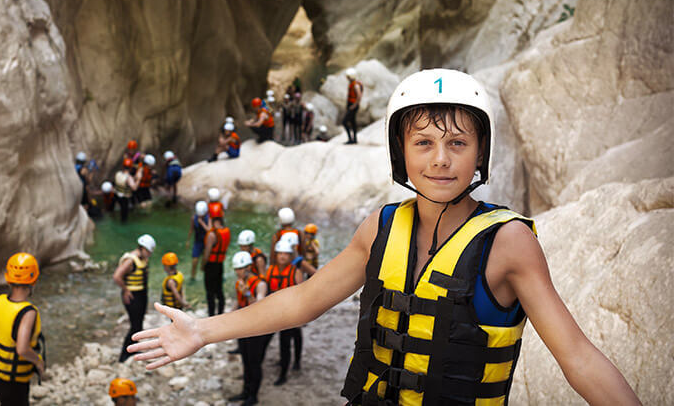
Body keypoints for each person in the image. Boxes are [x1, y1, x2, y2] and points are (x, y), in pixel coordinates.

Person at [127, 69, 641, 406]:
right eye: (424, 143)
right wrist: (202, 331)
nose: (441, 159)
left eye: (458, 143)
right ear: (402, 153)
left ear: (480, 154)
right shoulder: (381, 227)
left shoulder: (508, 243)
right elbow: (303, 301)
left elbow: (576, 356)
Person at [0, 253, 46, 406]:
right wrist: (38, 362)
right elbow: (22, 349)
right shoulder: (28, 312)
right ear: (34, 281)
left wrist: (5, 345)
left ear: (8, 279)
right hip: (14, 381)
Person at [229, 251, 270, 406]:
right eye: (236, 269)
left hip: (257, 328)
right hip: (243, 327)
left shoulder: (260, 284)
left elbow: (259, 306)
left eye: (240, 269)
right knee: (245, 360)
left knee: (254, 362)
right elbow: (238, 303)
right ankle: (245, 391)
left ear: (247, 268)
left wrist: (247, 292)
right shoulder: (239, 283)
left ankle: (253, 396)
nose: (237, 272)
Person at [266, 239, 304, 386]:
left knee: (287, 341)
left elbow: (302, 294)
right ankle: (285, 363)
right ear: (276, 255)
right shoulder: (270, 271)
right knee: (280, 341)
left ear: (290, 256)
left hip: (290, 313)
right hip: (275, 312)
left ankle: (288, 369)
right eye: (280, 253)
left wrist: (300, 315)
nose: (282, 256)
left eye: (285, 254)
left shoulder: (296, 272)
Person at [113, 234, 155, 362]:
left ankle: (134, 349)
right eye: (148, 251)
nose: (149, 254)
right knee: (135, 325)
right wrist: (125, 290)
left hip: (141, 294)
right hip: (132, 296)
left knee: (139, 324)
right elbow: (117, 276)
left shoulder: (142, 258)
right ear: (142, 248)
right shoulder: (131, 260)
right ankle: (124, 355)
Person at [202, 208, 231, 316]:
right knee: (219, 290)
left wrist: (203, 265)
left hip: (211, 265)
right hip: (220, 264)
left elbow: (207, 253)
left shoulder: (212, 235)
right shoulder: (226, 231)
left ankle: (211, 315)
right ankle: (220, 313)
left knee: (210, 292)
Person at [113, 159, 140, 224]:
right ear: (130, 168)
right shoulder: (129, 178)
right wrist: (138, 180)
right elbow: (134, 188)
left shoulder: (118, 173)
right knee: (124, 216)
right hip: (125, 197)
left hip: (117, 195)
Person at [189, 201, 210, 280]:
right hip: (198, 242)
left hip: (207, 241)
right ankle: (193, 276)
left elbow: (209, 230)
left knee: (205, 261)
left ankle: (204, 275)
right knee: (194, 260)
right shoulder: (194, 218)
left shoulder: (209, 218)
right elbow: (191, 229)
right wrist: (188, 240)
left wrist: (202, 223)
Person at [342, 67, 363, 144]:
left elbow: (359, 95)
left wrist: (354, 105)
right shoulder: (353, 83)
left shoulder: (355, 85)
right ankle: (354, 139)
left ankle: (351, 139)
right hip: (352, 105)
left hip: (353, 106)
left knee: (345, 122)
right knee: (352, 122)